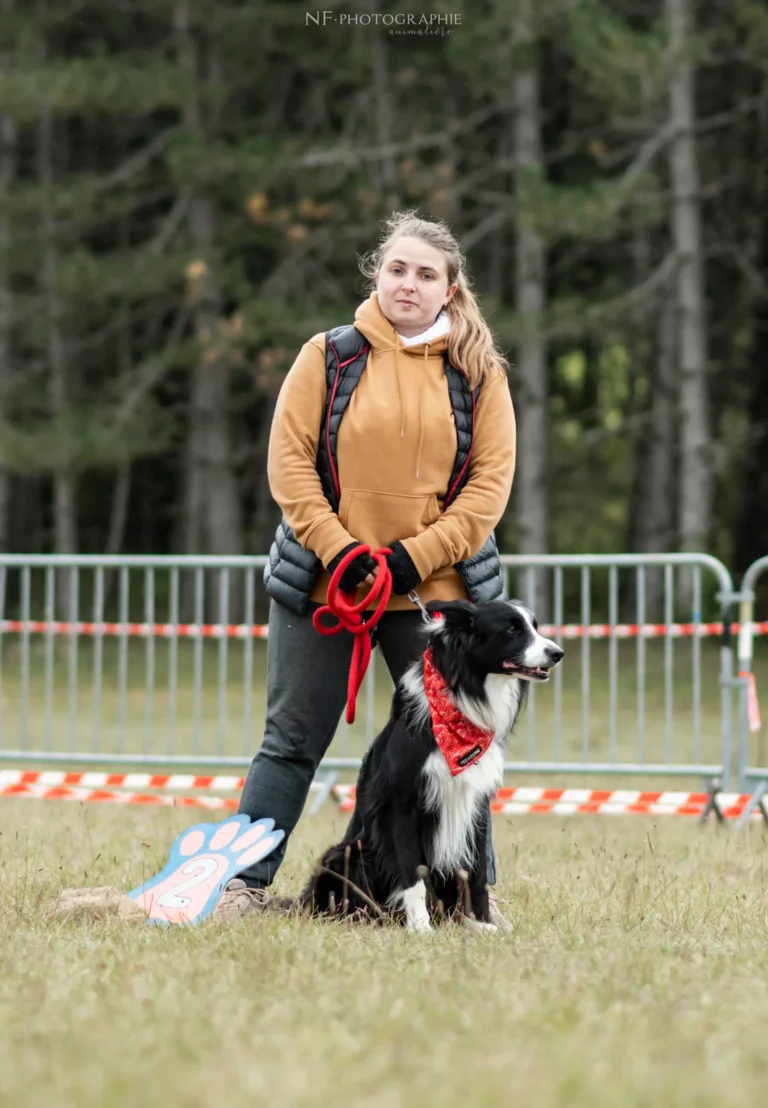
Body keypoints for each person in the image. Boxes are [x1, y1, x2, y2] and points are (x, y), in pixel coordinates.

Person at [214, 209, 517, 923]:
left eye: (426, 274)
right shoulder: (326, 355)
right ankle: (241, 886)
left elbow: (488, 490)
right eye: (397, 269)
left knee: (458, 744)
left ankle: (473, 897)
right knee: (290, 741)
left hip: (434, 595)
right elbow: (289, 468)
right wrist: (341, 549)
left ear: (450, 289)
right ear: (376, 275)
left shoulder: (478, 373)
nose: (408, 283)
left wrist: (414, 558)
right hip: (324, 585)